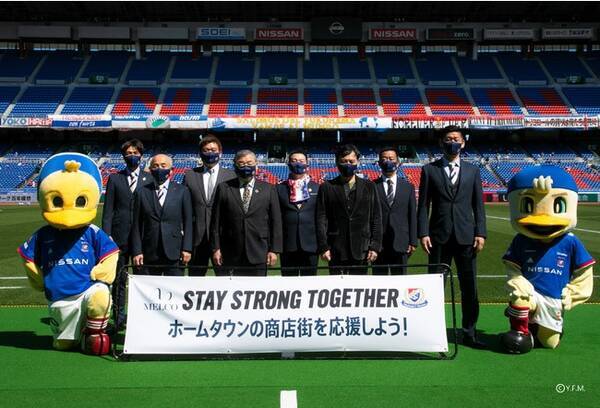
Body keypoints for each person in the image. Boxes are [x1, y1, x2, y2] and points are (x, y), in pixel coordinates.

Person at [417, 125, 487, 348]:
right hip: (438, 237)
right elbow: (423, 205)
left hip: (467, 237)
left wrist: (481, 232)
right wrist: (423, 232)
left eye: (456, 138)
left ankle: (469, 332)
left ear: (463, 142)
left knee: (469, 287)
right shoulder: (429, 170)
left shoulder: (473, 171)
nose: (452, 142)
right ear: (441, 142)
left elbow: (478, 205)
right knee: (435, 287)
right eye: (448, 139)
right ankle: (432, 331)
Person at [101, 139, 151, 329]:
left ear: (141, 155)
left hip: (142, 238)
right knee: (119, 279)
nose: (132, 156)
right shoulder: (115, 179)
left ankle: (140, 316)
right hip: (118, 237)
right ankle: (119, 317)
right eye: (128, 153)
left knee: (141, 278)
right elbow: (108, 211)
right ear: (123, 156)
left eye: (135, 153)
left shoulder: (149, 178)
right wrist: (107, 235)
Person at [210, 149, 282, 276]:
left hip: (259, 251)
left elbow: (275, 221)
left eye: (249, 163)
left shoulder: (269, 189)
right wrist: (216, 248)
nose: (246, 166)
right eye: (241, 163)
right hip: (230, 252)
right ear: (235, 165)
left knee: (257, 288)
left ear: (256, 164)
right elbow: (216, 221)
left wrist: (274, 250)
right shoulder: (224, 188)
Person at [316, 144, 382, 275]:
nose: (348, 164)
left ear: (358, 162)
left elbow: (376, 218)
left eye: (351, 161)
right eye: (344, 161)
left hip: (362, 249)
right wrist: (323, 246)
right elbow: (321, 219)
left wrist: (375, 246)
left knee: (359, 287)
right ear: (337, 162)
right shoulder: (326, 187)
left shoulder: (370, 186)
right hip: (335, 249)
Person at [131, 154, 193, 276]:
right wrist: (137, 251)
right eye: (155, 166)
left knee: (174, 287)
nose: (159, 168)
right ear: (150, 169)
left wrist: (187, 248)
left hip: (175, 252)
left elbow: (188, 222)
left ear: (171, 170)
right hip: (149, 252)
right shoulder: (141, 192)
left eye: (163, 166)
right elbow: (136, 224)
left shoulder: (182, 191)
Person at [183, 135, 236, 276]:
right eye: (206, 150)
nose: (210, 153)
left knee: (225, 279)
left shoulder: (232, 176)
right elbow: (184, 206)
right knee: (195, 280)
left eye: (213, 150)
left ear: (220, 152)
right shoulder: (190, 175)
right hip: (197, 238)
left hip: (222, 239)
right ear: (200, 153)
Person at [373, 147, 417, 275]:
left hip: (401, 242)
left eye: (391, 159)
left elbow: (412, 215)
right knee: (379, 281)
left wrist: (413, 241)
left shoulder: (408, 187)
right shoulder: (371, 186)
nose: (388, 162)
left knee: (400, 281)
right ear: (379, 163)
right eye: (384, 159)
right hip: (378, 244)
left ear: (398, 161)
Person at [276, 149, 320, 276]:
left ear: (307, 164)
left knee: (310, 283)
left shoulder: (318, 188)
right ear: (288, 164)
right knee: (288, 283)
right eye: (294, 161)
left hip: (311, 244)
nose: (298, 164)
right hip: (288, 245)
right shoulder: (278, 189)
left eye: (301, 161)